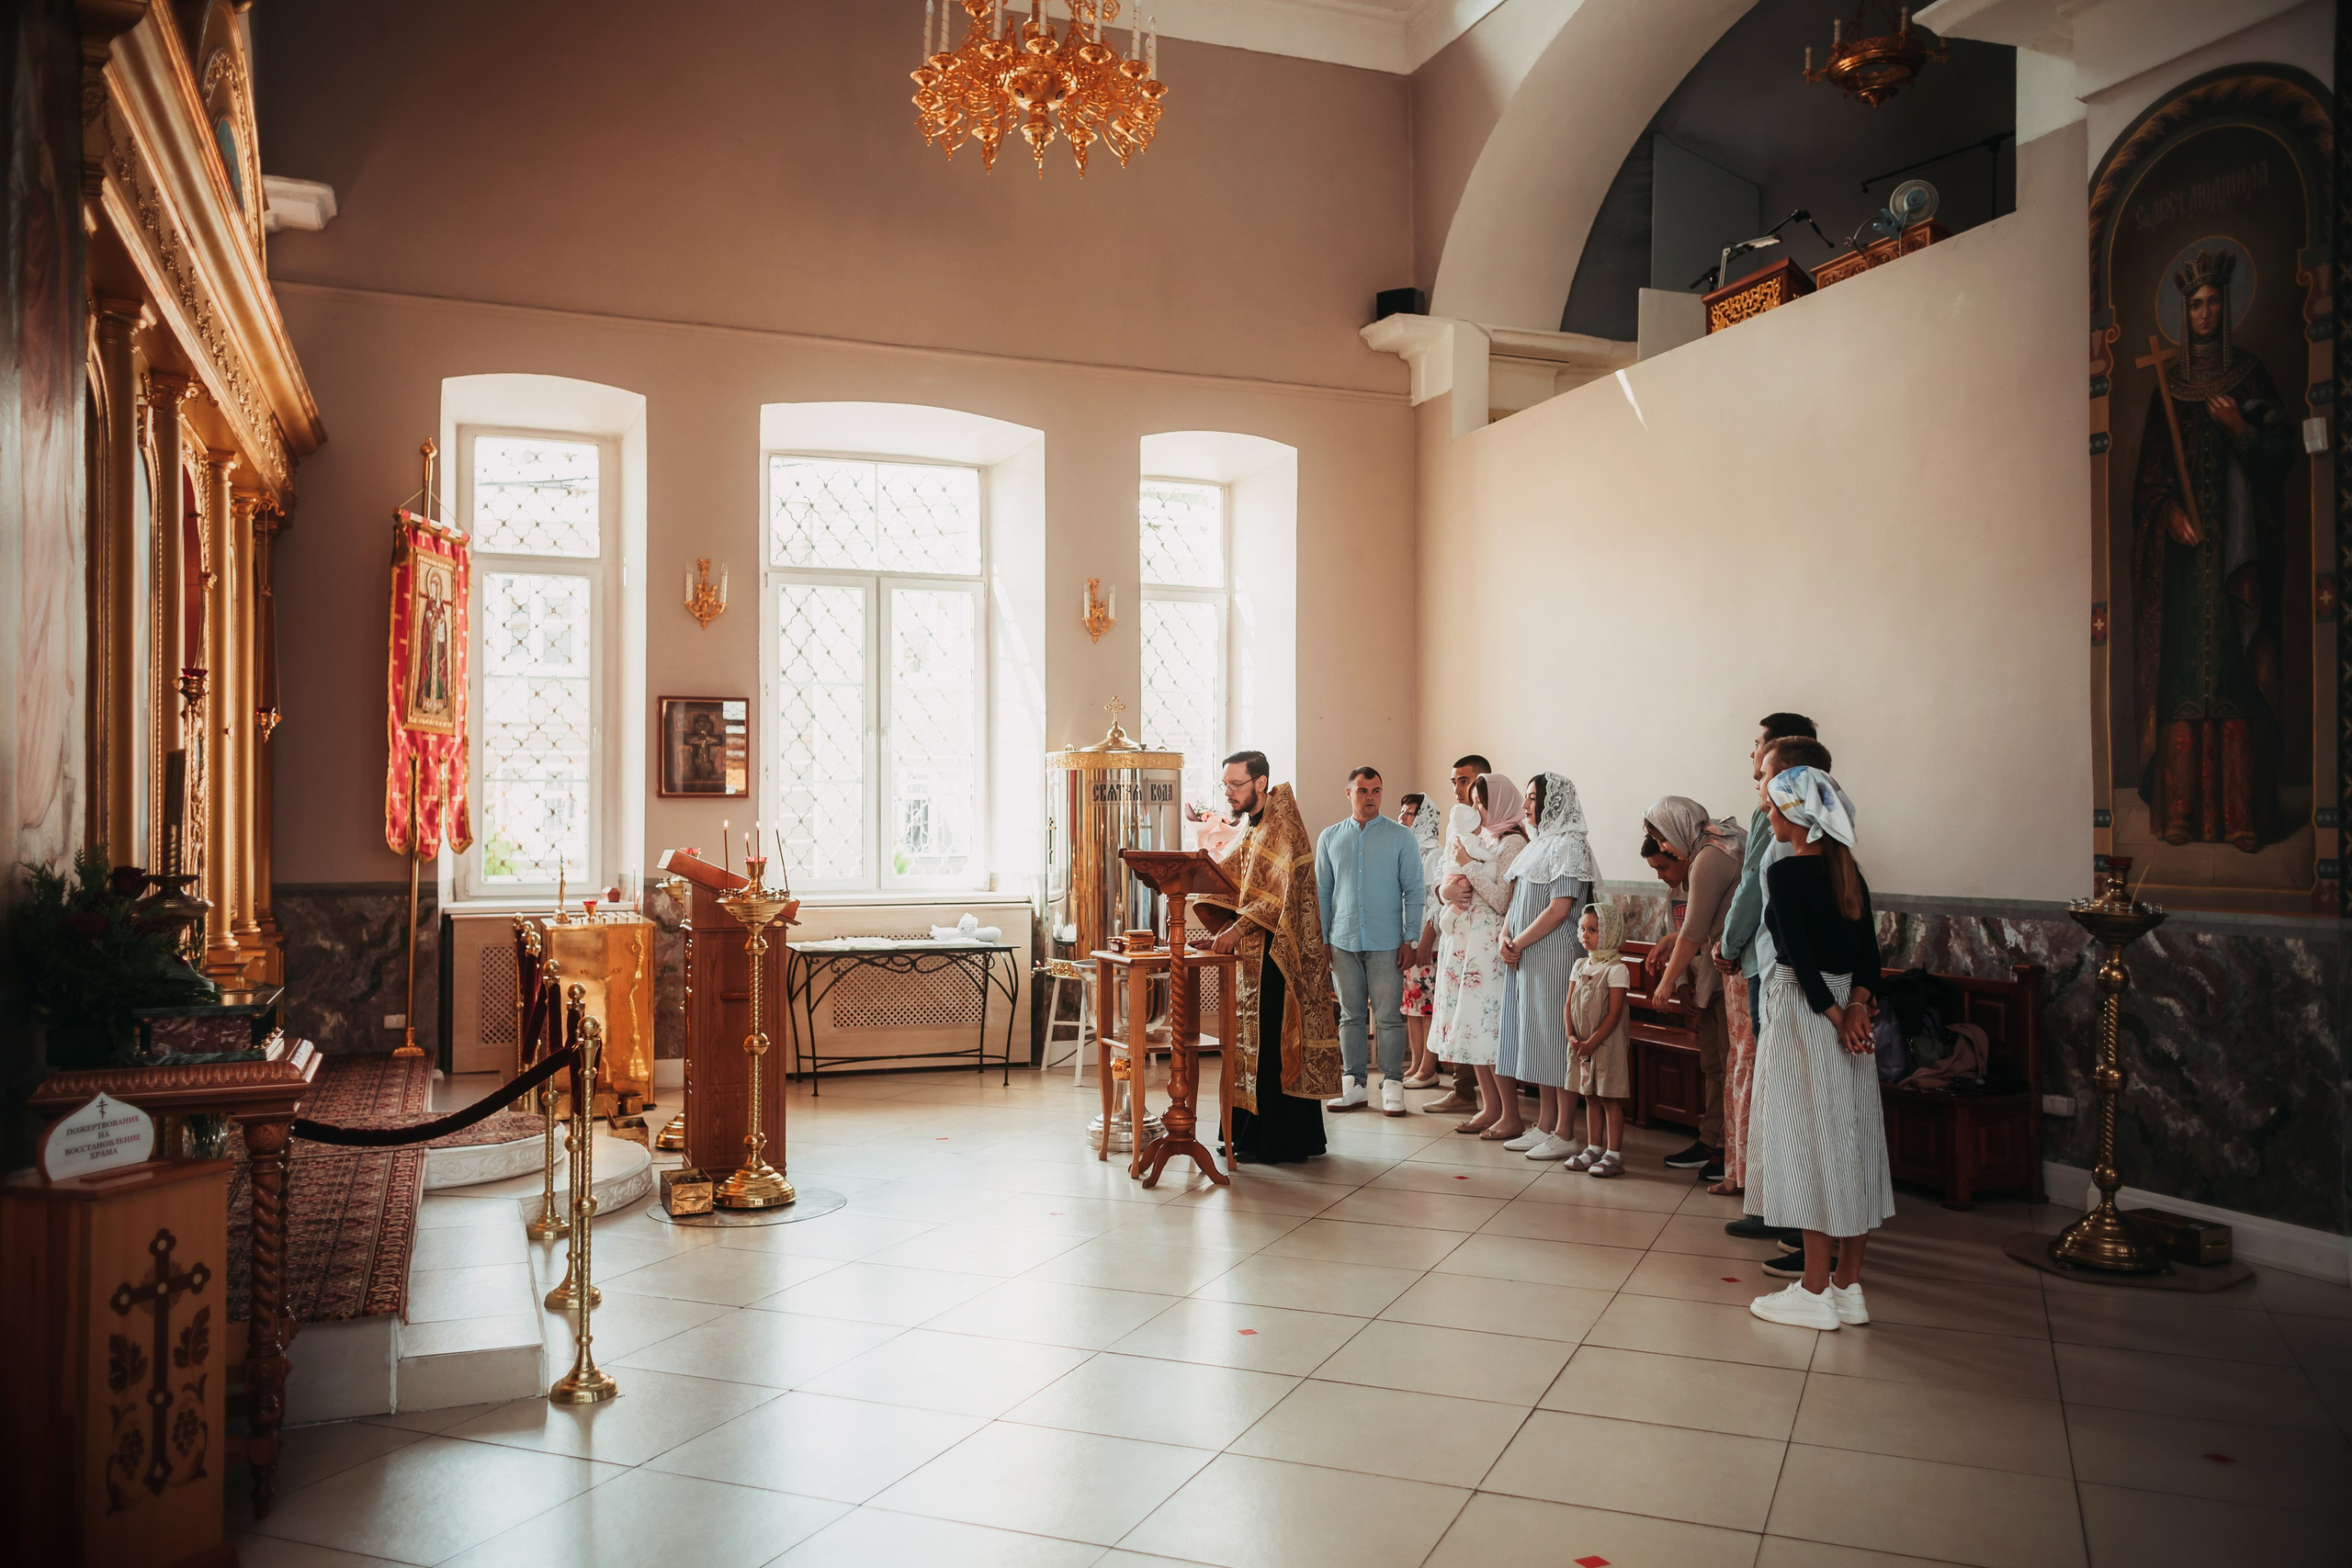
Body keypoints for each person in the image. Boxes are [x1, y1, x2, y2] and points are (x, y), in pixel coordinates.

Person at [2130, 248, 2291, 852]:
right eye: (2194, 304)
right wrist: (2167, 512)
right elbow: (2148, 483)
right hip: (2182, 572)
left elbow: (2282, 459)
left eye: (2212, 301)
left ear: (2225, 306)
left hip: (2236, 564)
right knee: (2184, 677)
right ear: (2184, 312)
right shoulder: (2168, 389)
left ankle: (2241, 814)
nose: (2203, 312)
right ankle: (2181, 812)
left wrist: (2241, 432)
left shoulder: (2249, 377)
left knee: (2235, 672)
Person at [1745, 764, 1891, 1331]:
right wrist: (1854, 1009)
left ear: (1799, 819)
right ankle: (1848, 1288)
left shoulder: (1785, 873)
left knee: (1806, 1139)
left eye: (1776, 808)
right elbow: (1870, 963)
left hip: (1804, 1015)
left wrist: (1833, 1016)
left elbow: (1800, 960)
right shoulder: (1849, 871)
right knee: (1850, 1137)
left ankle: (1811, 1291)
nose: (1768, 815)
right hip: (1846, 1014)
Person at [1193, 750, 1340, 1163]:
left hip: (1281, 958)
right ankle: (1247, 1134)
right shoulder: (1255, 826)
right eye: (1225, 785)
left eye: (1235, 785)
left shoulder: (1283, 826)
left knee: (1275, 1046)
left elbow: (1279, 896)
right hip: (1255, 955)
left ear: (1260, 783)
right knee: (1250, 1045)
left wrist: (1235, 929)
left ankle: (1277, 1140)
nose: (1229, 793)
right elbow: (1235, 880)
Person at [1715, 713, 1820, 1212]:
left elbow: (1752, 891)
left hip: (1776, 972)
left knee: (1775, 1084)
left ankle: (1769, 1199)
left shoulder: (1776, 824)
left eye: (1758, 749)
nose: (1752, 760)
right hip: (1787, 973)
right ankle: (1769, 1196)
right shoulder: (1823, 837)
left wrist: (1728, 947)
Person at [1641, 795, 1745, 1181]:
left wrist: (1667, 983)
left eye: (1664, 842)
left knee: (1732, 1065)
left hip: (1731, 974)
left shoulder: (1713, 855)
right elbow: (1684, 931)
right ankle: (1712, 1141)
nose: (1665, 848)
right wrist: (1681, 979)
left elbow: (1696, 930)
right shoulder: (1710, 850)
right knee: (1714, 1065)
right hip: (1713, 976)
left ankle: (1728, 1151)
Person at [1496, 773, 1597, 1156]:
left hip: (1555, 955)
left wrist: (1517, 942)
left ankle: (1566, 1132)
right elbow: (1517, 899)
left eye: (1533, 798)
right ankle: (1545, 1124)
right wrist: (1507, 936)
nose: (1526, 806)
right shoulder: (1538, 845)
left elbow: (1560, 908)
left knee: (1558, 1042)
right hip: (1527, 956)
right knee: (1537, 1039)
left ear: (1554, 801)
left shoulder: (1571, 845)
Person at [1316, 766, 1424, 1117]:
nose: (1370, 798)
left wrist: (1411, 938)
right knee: (1350, 1016)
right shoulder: (1330, 837)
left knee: (1389, 1017)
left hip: (1387, 942)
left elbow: (1415, 891)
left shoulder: (1401, 837)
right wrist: (1322, 938)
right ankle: (1354, 1085)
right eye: (1363, 791)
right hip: (1343, 940)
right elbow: (1322, 891)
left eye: (1376, 791)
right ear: (1349, 793)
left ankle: (1393, 1085)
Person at [1431, 773, 1526, 1132]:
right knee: (1474, 1030)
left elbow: (1503, 900)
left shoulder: (1513, 842)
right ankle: (1490, 1108)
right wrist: (1449, 892)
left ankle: (1511, 1115)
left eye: (1479, 803)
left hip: (1490, 949)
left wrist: (1469, 864)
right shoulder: (1484, 838)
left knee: (1491, 1033)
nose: (1474, 810)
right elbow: (1449, 880)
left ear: (1497, 803)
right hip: (1470, 945)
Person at [1420, 754, 1492, 1117]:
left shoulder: (1495, 820)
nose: (1457, 788)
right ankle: (1463, 1089)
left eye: (1464, 780)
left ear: (1483, 781)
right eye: (1454, 781)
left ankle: (1492, 1101)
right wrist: (1444, 894)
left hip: (1485, 932)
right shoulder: (1454, 822)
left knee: (1478, 1011)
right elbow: (1440, 875)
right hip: (1456, 924)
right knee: (1456, 1010)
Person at [1564, 898, 1633, 1176]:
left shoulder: (1616, 969)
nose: (1585, 935)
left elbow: (1614, 1015)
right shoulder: (1580, 964)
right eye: (1582, 929)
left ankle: (1613, 1154)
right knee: (1589, 1096)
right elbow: (1568, 1004)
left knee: (1609, 1097)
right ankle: (1593, 1148)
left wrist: (1591, 1042)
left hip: (1606, 1044)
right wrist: (1571, 1035)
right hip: (1581, 1043)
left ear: (1610, 932)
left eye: (1593, 930)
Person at [1396, 793, 1443, 1088]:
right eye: (1401, 812)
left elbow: (1435, 902)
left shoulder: (1434, 854)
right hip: (1409, 942)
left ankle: (1429, 1068)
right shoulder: (1407, 850)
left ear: (1424, 817)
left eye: (1409, 813)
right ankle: (1415, 1065)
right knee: (1412, 1007)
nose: (1402, 817)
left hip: (1428, 943)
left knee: (1427, 1008)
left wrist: (1425, 940)